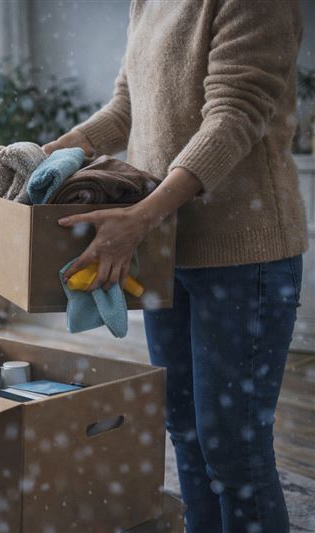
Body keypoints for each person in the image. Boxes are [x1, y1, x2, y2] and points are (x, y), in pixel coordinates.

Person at [42, 1, 306, 532]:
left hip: (244, 255)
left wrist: (143, 215)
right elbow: (127, 107)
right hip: (166, 247)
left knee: (233, 446)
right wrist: (47, 154)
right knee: (183, 428)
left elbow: (234, 115)